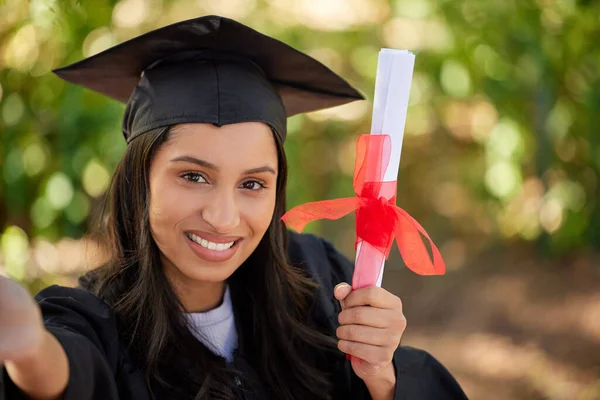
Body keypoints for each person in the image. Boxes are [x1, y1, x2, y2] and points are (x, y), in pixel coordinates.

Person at [0, 15, 468, 400]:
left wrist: (383, 378)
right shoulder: (97, 321)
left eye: (252, 184)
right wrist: (27, 347)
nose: (224, 218)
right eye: (193, 176)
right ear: (139, 181)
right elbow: (69, 370)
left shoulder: (320, 279)